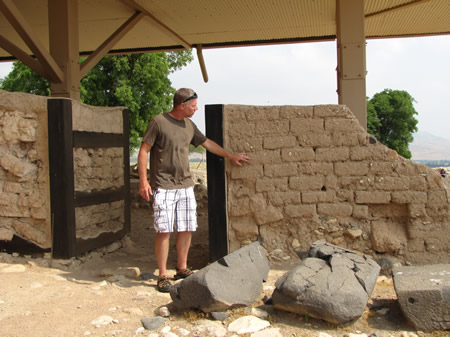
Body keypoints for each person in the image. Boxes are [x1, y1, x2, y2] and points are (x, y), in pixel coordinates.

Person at [137, 88, 250, 292]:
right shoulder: (158, 122)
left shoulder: (189, 125)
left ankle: (181, 268)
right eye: (193, 105)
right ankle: (162, 275)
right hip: (163, 185)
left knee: (186, 227)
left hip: (186, 185)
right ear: (182, 105)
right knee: (164, 230)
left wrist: (230, 155)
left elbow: (207, 143)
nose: (196, 108)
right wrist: (143, 181)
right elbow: (144, 150)